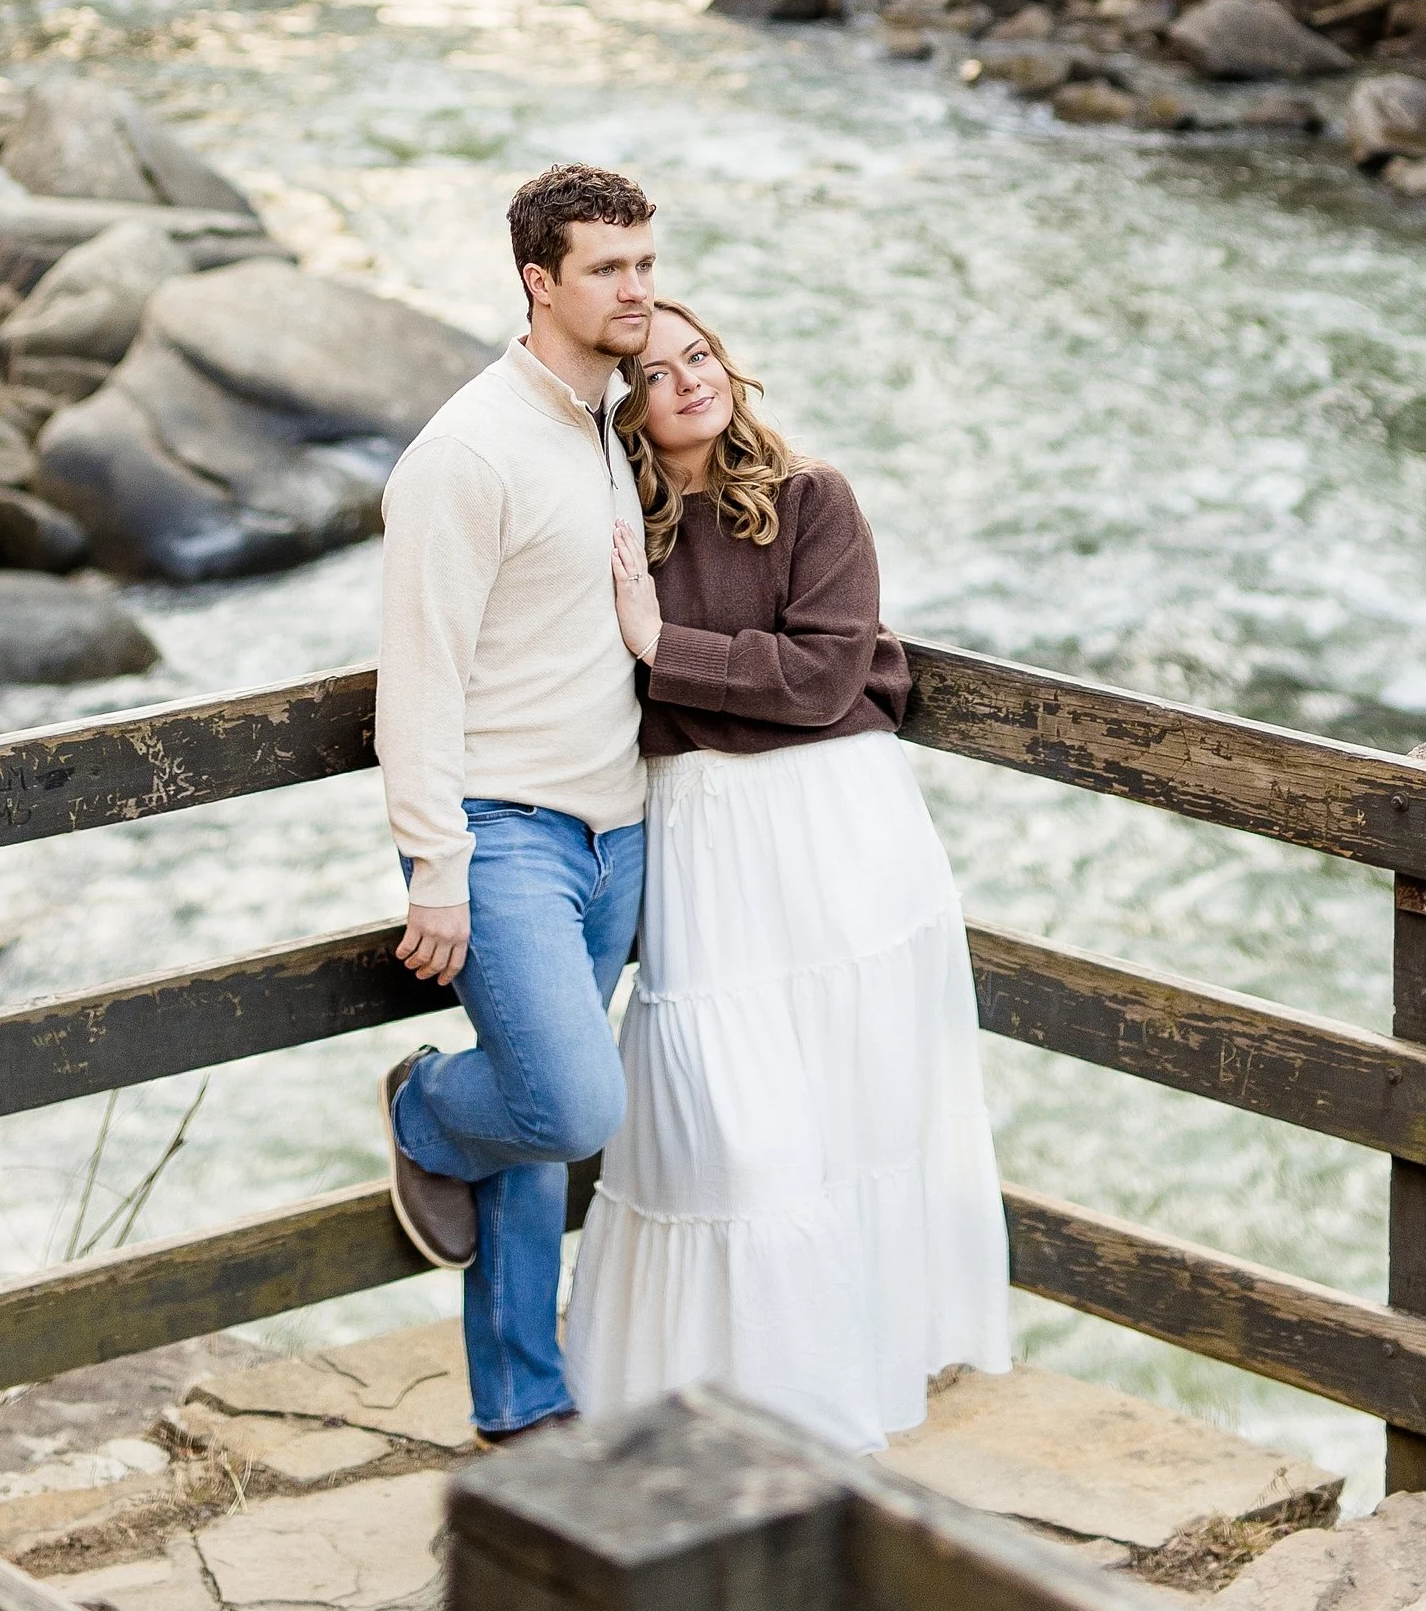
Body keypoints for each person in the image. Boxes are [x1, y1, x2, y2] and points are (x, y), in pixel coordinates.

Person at [563, 300, 1009, 1452]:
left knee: (855, 1113)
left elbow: (820, 681)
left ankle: (834, 1393)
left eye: (698, 355)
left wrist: (664, 649)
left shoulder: (814, 497)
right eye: (656, 376)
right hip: (704, 844)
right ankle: (719, 1395)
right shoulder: (616, 526)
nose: (689, 382)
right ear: (625, 410)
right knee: (728, 1130)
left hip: (837, 832)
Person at [374, 161, 656, 1444]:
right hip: (504, 836)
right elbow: (420, 668)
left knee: (541, 1135)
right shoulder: (467, 450)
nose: (636, 290)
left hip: (618, 830)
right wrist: (434, 859)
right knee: (566, 1103)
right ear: (539, 282)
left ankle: (521, 1403)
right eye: (608, 268)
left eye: (645, 264)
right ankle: (425, 1105)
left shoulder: (606, 423)